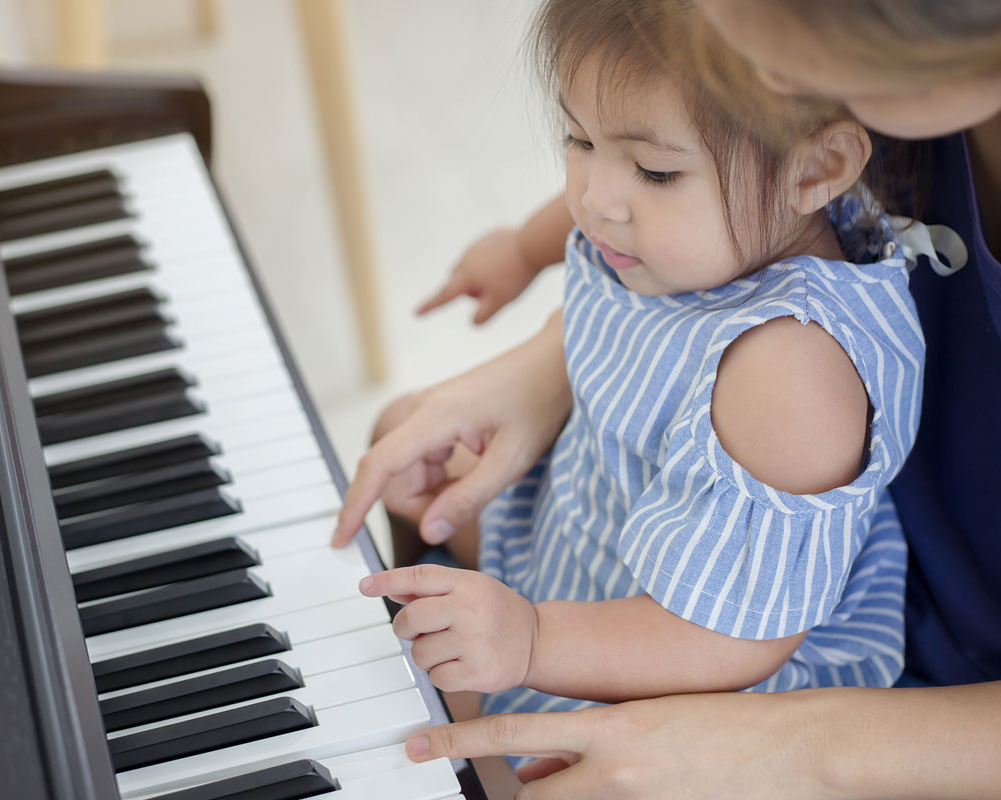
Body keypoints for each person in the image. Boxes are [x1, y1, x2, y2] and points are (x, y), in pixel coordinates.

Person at [331, 0, 1001, 796]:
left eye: (654, 172)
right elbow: (607, 178)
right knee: (405, 440)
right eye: (576, 140)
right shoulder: (740, 163)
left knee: (485, 750)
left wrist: (533, 635)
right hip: (597, 517)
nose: (595, 199)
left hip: (697, 642)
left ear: (818, 171)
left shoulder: (791, 372)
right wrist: (523, 254)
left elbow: (733, 633)